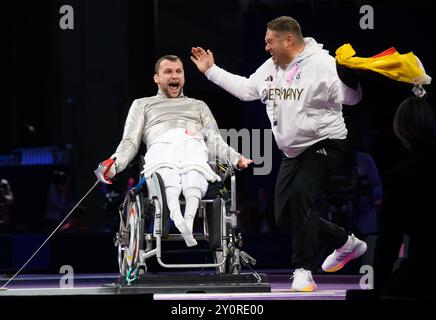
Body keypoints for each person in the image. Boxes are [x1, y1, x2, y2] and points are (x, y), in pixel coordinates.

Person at [191, 16, 367, 291]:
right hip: (292, 152)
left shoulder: (322, 64)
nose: (266, 47)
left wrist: (351, 78)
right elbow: (246, 90)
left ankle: (302, 270)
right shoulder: (271, 67)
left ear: (289, 40)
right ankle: (346, 243)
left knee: (301, 197)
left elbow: (351, 98)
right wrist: (210, 70)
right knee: (284, 216)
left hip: (326, 142)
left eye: (269, 41)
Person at [95, 55, 252, 247]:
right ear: (157, 78)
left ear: (184, 76)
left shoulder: (198, 106)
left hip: (192, 151)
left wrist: (236, 158)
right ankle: (166, 207)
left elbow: (214, 141)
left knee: (198, 166)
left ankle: (188, 220)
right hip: (162, 150)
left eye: (179, 71)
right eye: (168, 71)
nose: (174, 75)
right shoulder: (142, 104)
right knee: (165, 167)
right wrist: (115, 163)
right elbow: (130, 142)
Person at [374, 96, 436, 299]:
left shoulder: (399, 177)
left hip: (424, 271)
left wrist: (378, 289)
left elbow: (389, 240)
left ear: (399, 129)